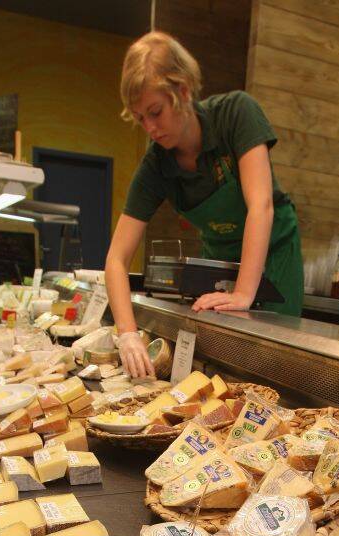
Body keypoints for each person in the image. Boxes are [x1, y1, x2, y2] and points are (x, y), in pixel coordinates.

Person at [105, 31, 304, 378]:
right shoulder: (156, 166)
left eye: (156, 112)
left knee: (275, 366)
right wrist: (127, 334)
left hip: (274, 254)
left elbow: (261, 207)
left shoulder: (236, 113)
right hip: (220, 261)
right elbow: (116, 259)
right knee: (223, 366)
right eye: (140, 118)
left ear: (182, 91)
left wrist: (243, 292)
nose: (150, 128)